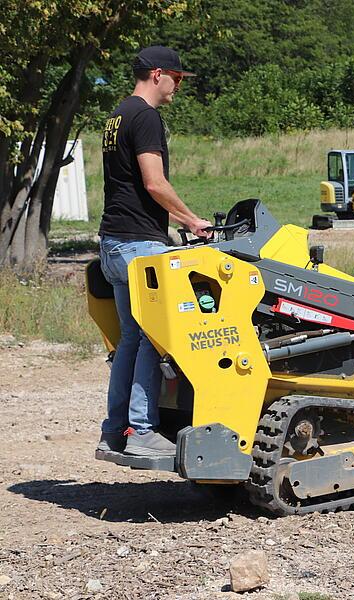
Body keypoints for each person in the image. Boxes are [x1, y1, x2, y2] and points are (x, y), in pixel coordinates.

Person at [97, 46, 211, 457]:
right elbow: (153, 183)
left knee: (130, 338)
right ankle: (142, 430)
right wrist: (191, 220)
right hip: (139, 244)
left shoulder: (115, 117)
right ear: (158, 74)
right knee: (154, 337)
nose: (178, 87)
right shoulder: (146, 117)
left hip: (112, 240)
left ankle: (114, 428)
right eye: (177, 79)